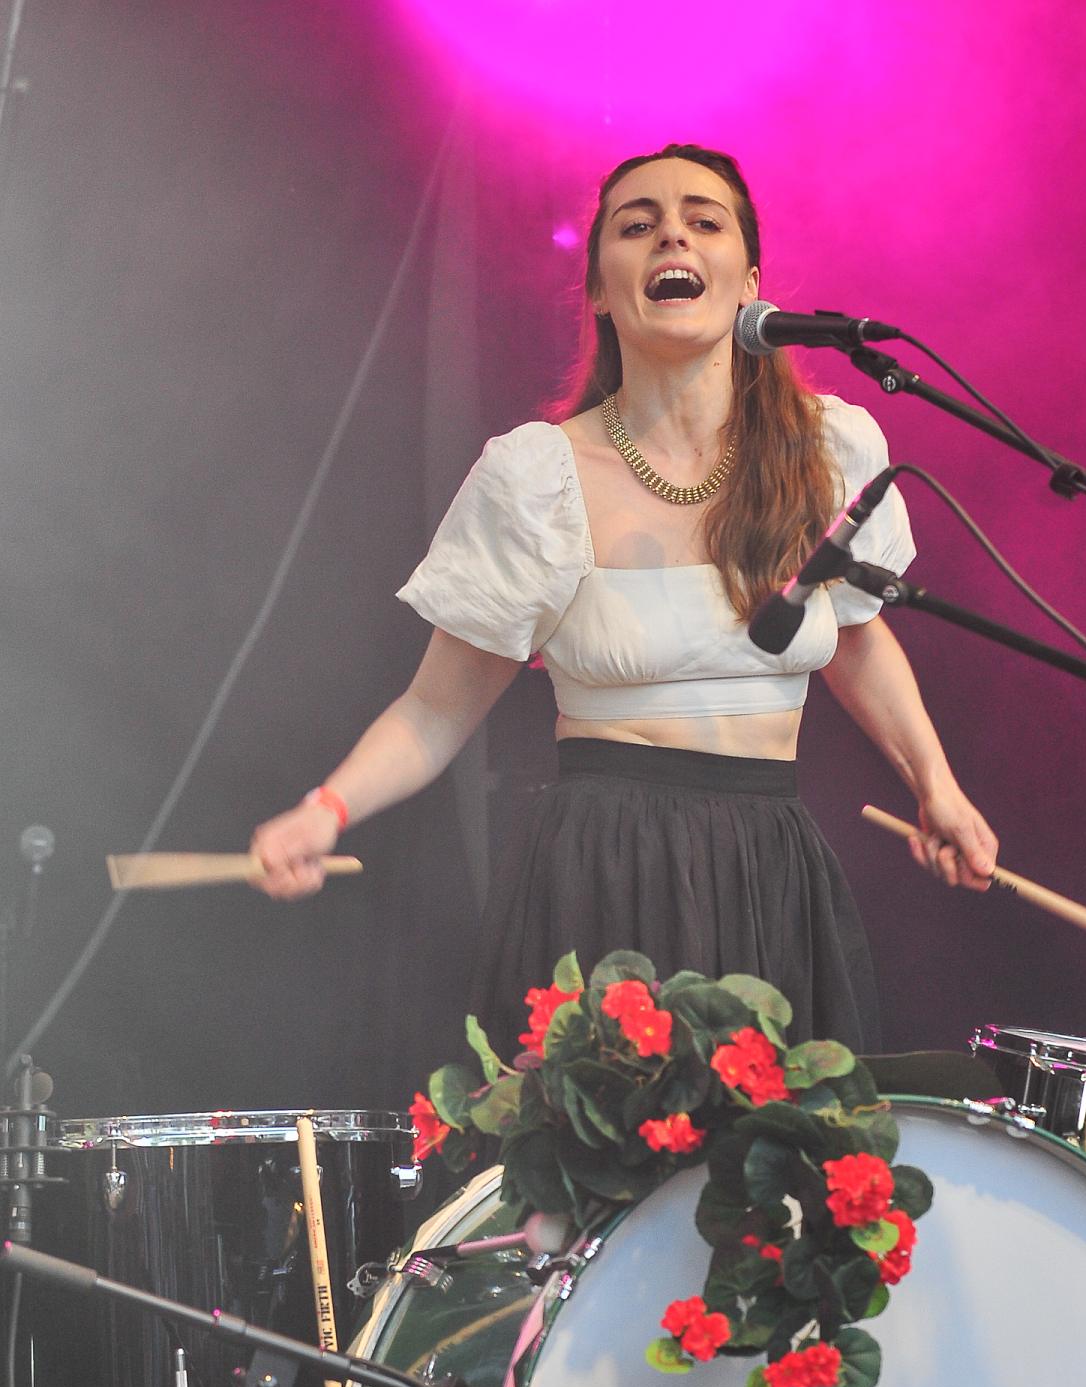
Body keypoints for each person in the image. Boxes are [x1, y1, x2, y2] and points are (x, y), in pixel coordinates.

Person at [250, 143, 997, 1054]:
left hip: (770, 870)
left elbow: (857, 637)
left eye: (703, 220)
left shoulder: (830, 451)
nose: (672, 234)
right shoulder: (537, 476)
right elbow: (437, 709)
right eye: (637, 225)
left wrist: (937, 788)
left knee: (779, 1141)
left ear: (750, 285)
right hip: (605, 872)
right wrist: (323, 810)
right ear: (601, 291)